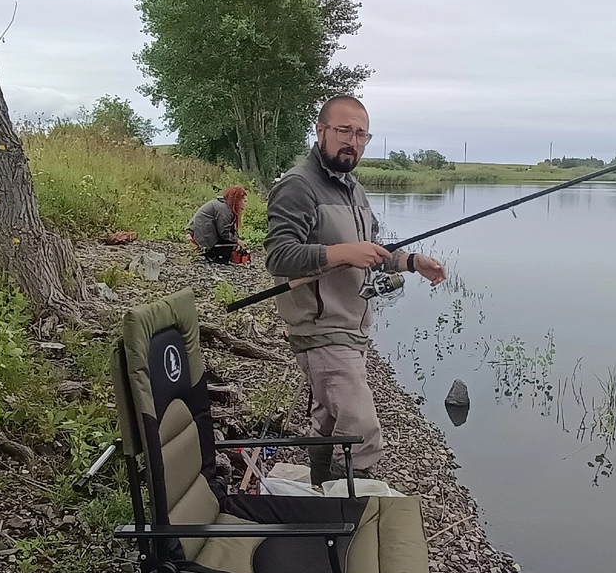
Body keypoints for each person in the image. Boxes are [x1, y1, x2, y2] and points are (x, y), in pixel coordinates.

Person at [264, 95, 446, 484]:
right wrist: (340, 252)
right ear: (321, 131)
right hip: (320, 329)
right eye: (344, 130)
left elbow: (372, 251)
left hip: (353, 327)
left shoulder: (353, 188)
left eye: (361, 133)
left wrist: (411, 262)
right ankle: (346, 515)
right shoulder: (297, 186)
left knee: (329, 420)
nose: (353, 141)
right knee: (362, 432)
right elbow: (279, 256)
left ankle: (319, 497)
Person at [187, 185, 249, 263]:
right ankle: (214, 256)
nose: (246, 204)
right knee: (229, 244)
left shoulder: (224, 206)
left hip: (199, 231)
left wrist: (237, 239)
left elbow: (230, 229)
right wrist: (237, 241)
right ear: (237, 200)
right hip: (202, 235)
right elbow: (224, 233)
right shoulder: (224, 210)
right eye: (244, 201)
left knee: (231, 242)